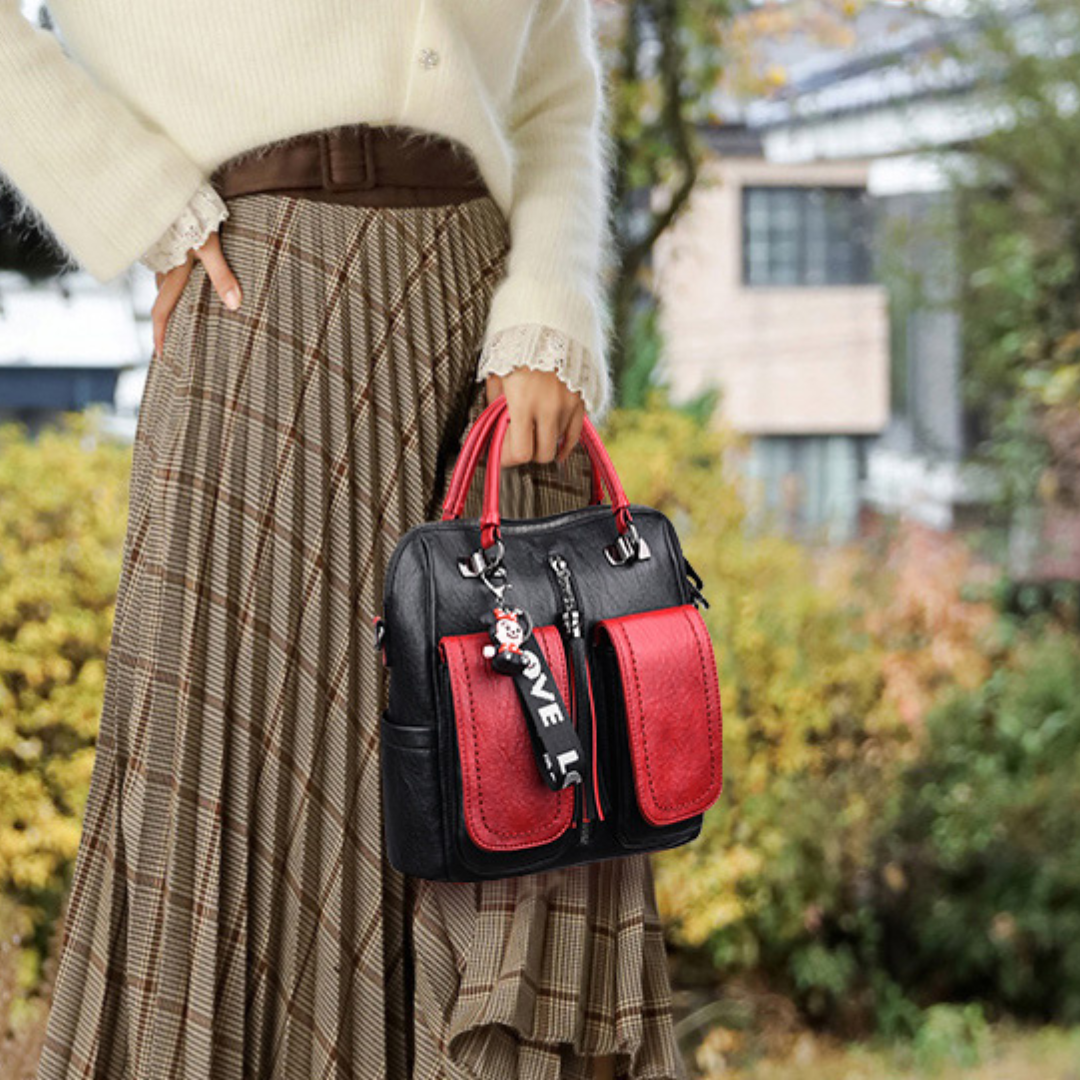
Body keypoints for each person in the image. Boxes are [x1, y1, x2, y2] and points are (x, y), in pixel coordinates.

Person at [0, 2, 688, 1078]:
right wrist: (135, 195)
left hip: (493, 359)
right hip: (265, 322)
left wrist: (551, 303)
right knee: (256, 809)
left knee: (512, 803)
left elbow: (556, 78)